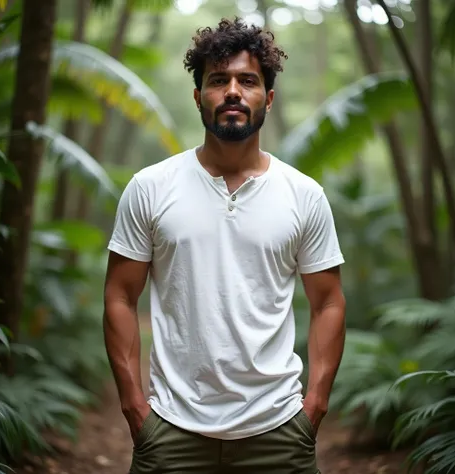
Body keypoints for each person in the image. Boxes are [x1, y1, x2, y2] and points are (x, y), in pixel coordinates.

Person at [103, 16, 346, 474]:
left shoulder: (304, 195)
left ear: (268, 98)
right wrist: (136, 409)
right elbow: (118, 295)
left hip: (279, 430)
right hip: (172, 430)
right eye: (218, 80)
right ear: (199, 96)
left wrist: (313, 407)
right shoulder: (150, 187)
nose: (233, 91)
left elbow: (328, 303)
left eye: (248, 80)